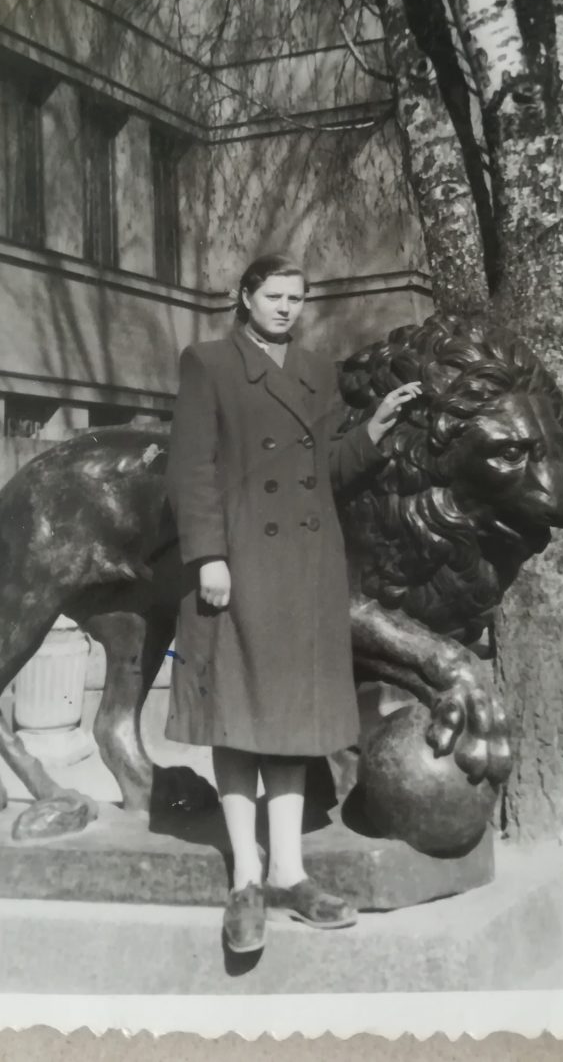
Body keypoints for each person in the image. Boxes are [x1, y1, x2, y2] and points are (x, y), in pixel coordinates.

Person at [165, 253, 420, 954]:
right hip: (237, 561)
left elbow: (327, 472)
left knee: (289, 721)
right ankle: (247, 875)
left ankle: (289, 871)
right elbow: (192, 468)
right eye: (274, 295)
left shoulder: (315, 371)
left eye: (296, 297)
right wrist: (208, 554)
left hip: (304, 569)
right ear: (244, 296)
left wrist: (372, 430)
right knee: (238, 716)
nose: (286, 307)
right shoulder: (208, 363)